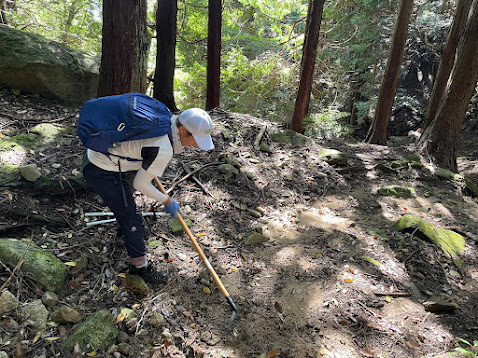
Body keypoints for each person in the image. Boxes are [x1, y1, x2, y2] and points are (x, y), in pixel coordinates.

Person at [81, 100, 214, 284]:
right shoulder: (163, 148)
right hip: (100, 168)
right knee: (132, 217)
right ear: (183, 130)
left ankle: (126, 232)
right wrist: (167, 200)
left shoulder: (164, 115)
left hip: (101, 154)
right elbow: (141, 184)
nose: (196, 146)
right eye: (196, 140)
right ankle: (140, 268)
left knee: (125, 204)